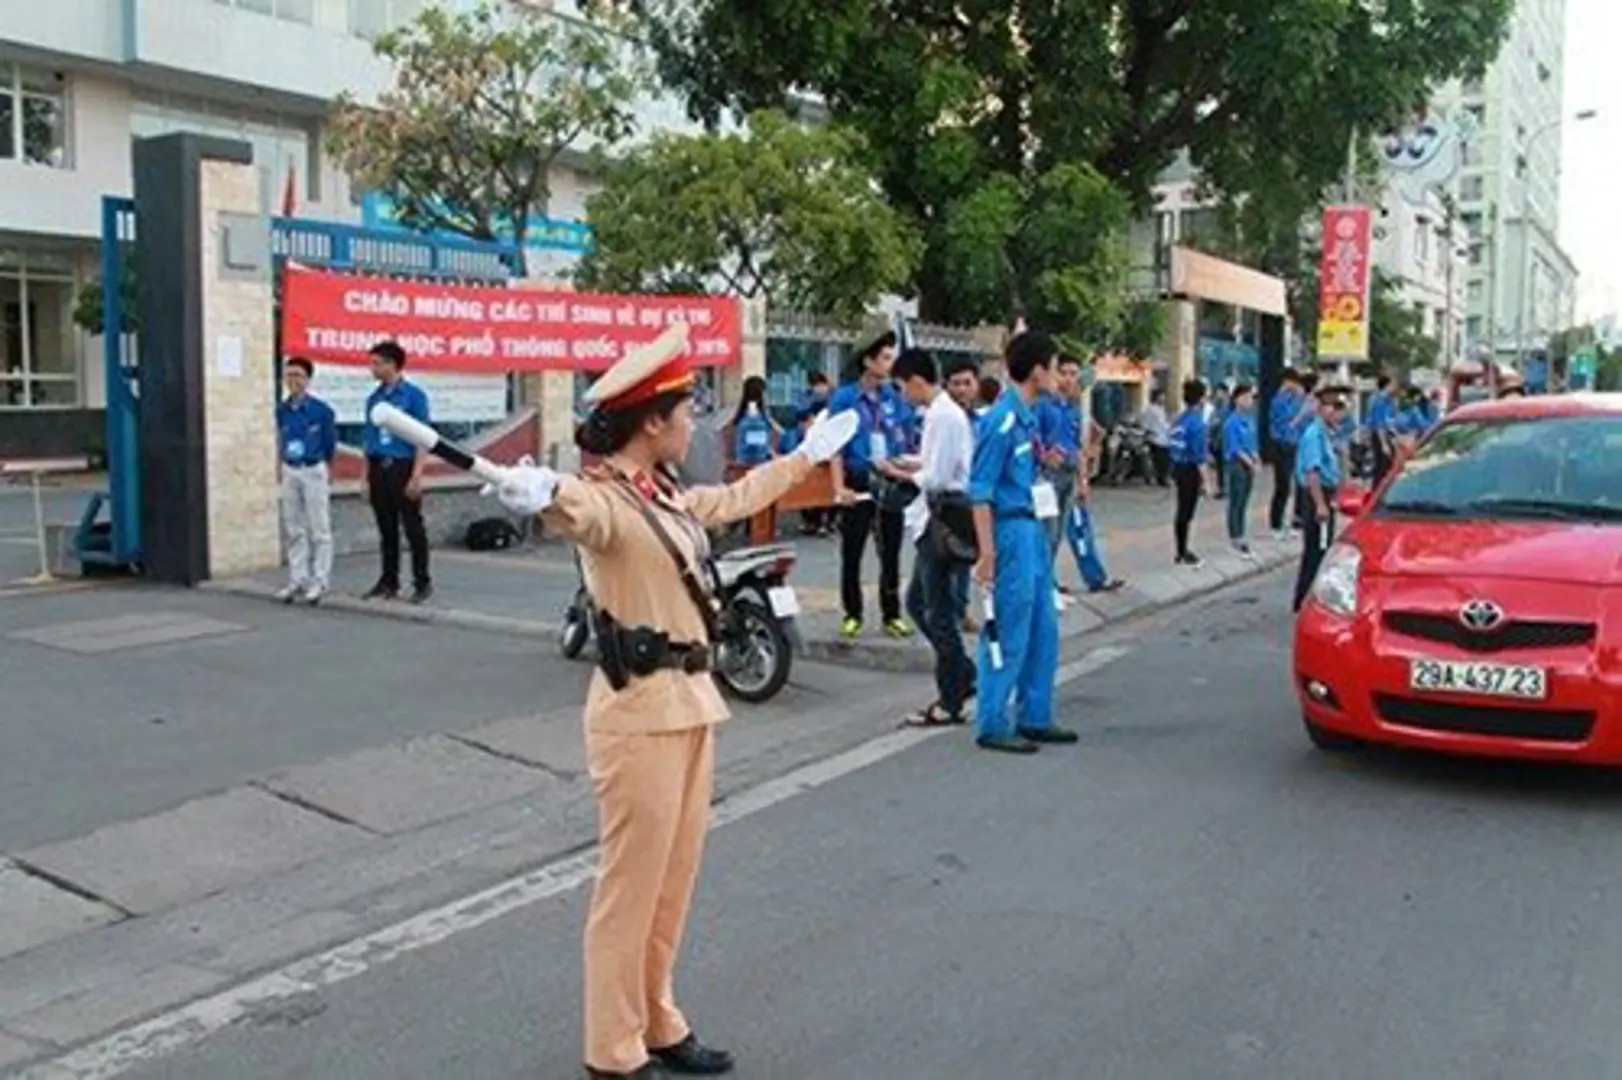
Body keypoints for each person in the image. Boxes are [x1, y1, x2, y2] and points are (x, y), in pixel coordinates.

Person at [487, 323, 859, 1080]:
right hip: (638, 717)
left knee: (671, 885)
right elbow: (578, 512)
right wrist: (542, 491)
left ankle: (657, 1020)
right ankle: (611, 1050)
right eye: (687, 410)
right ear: (652, 420)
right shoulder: (607, 501)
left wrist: (804, 459)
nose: (695, 422)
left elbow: (729, 498)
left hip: (691, 704)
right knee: (629, 888)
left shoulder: (662, 496)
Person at [970, 329, 1077, 755]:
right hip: (1010, 530)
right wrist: (987, 552)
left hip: (1033, 527)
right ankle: (992, 721)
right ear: (1036, 371)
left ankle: (1035, 714)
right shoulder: (1001, 420)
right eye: (1053, 367)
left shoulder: (1029, 416)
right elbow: (979, 489)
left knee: (1042, 628)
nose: (1059, 376)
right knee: (1009, 626)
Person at [894, 348, 975, 727]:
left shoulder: (943, 416)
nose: (903, 394)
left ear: (915, 381)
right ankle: (963, 674)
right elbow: (934, 463)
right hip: (933, 521)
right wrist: (911, 463)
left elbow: (939, 478)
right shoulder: (938, 415)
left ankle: (951, 698)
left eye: (902, 386)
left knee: (937, 612)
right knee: (918, 604)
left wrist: (904, 475)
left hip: (941, 523)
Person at [827, 322, 914, 639]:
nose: (891, 365)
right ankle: (853, 613)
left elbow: (905, 442)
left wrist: (903, 469)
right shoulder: (844, 399)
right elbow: (835, 449)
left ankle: (892, 614)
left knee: (890, 552)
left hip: (889, 481)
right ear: (868, 360)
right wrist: (839, 488)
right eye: (886, 358)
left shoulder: (895, 399)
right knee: (852, 552)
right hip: (858, 481)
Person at [362, 340, 433, 603]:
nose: (373, 368)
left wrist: (417, 475)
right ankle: (388, 581)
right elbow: (369, 440)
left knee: (413, 527)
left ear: (393, 364)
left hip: (403, 466)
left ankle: (422, 582)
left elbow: (423, 438)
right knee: (386, 527)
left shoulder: (413, 396)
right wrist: (365, 477)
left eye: (377, 363)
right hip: (379, 466)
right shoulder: (374, 399)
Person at [275, 357, 337, 604]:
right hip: (290, 468)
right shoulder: (282, 409)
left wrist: (324, 468)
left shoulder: (322, 411)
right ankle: (297, 578)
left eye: (298, 375)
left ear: (308, 379)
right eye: (289, 375)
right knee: (293, 528)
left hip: (313, 469)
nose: (293, 381)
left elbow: (330, 445)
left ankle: (319, 580)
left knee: (319, 528)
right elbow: (281, 437)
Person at [1292, 387, 1347, 612]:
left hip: (1325, 493)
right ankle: (1304, 599)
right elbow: (1312, 472)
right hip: (1316, 495)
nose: (1339, 416)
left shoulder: (1326, 433)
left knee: (1321, 548)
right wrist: (1321, 504)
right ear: (1324, 409)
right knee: (1316, 549)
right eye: (1336, 410)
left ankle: (1308, 598)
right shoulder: (1314, 435)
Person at [1168, 379, 1210, 567]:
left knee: (1181, 510)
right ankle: (1183, 552)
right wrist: (1207, 482)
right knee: (1187, 511)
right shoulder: (1197, 423)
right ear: (1201, 398)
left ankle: (1180, 549)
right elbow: (1200, 456)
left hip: (1178, 467)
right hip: (1190, 470)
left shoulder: (1180, 418)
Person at [1222, 383, 1261, 557]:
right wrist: (1250, 462)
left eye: (1251, 398)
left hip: (1249, 464)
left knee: (1244, 501)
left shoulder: (1250, 420)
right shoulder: (1231, 422)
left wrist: (1256, 459)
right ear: (1237, 399)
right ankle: (1234, 538)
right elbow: (1235, 448)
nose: (1250, 401)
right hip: (1237, 464)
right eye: (1246, 397)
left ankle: (1242, 535)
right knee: (1236, 501)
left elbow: (1252, 443)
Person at [1267, 369, 1305, 540]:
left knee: (1299, 484)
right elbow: (1285, 421)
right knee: (1282, 486)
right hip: (1281, 445)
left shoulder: (1297, 400)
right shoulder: (1278, 401)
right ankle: (1276, 524)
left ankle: (1296, 521)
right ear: (1287, 382)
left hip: (1296, 444)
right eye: (1294, 383)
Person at [726, 375, 776, 469]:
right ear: (760, 394)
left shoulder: (739, 419)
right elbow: (757, 449)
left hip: (741, 467)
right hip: (757, 469)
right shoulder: (756, 421)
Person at [1366, 374, 1397, 484]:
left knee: (1381, 465)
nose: (1395, 386)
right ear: (1387, 385)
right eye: (1393, 384)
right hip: (1380, 435)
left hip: (1380, 434)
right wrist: (1384, 444)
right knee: (1383, 466)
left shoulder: (1379, 398)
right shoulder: (1380, 400)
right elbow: (1380, 423)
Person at [1141, 390, 1171, 486]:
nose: (1163, 398)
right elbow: (1145, 423)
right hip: (1155, 437)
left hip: (1164, 437)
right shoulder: (1151, 409)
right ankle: (1162, 478)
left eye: (1164, 396)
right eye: (1161, 396)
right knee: (1161, 458)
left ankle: (1163, 477)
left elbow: (1165, 424)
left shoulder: (1162, 410)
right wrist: (1147, 432)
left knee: (1166, 458)